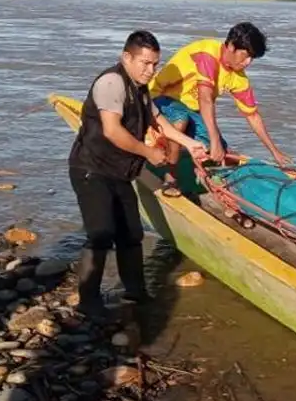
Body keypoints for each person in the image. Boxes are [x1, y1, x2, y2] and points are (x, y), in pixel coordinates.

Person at [68, 29, 208, 320]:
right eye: (145, 63)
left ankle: (135, 291)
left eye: (155, 64)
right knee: (101, 234)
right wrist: (149, 153)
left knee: (131, 233)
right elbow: (112, 130)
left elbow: (159, 122)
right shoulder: (111, 83)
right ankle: (88, 301)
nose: (150, 70)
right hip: (91, 169)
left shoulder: (141, 89)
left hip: (120, 172)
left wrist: (190, 143)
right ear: (126, 57)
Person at [148, 22, 292, 168]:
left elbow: (252, 116)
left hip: (191, 110)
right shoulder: (207, 54)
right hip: (156, 100)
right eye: (245, 55)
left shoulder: (239, 77)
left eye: (251, 58)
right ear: (231, 46)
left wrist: (274, 151)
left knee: (226, 154)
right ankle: (170, 175)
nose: (247, 62)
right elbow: (205, 99)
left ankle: (209, 177)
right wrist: (214, 140)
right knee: (180, 118)